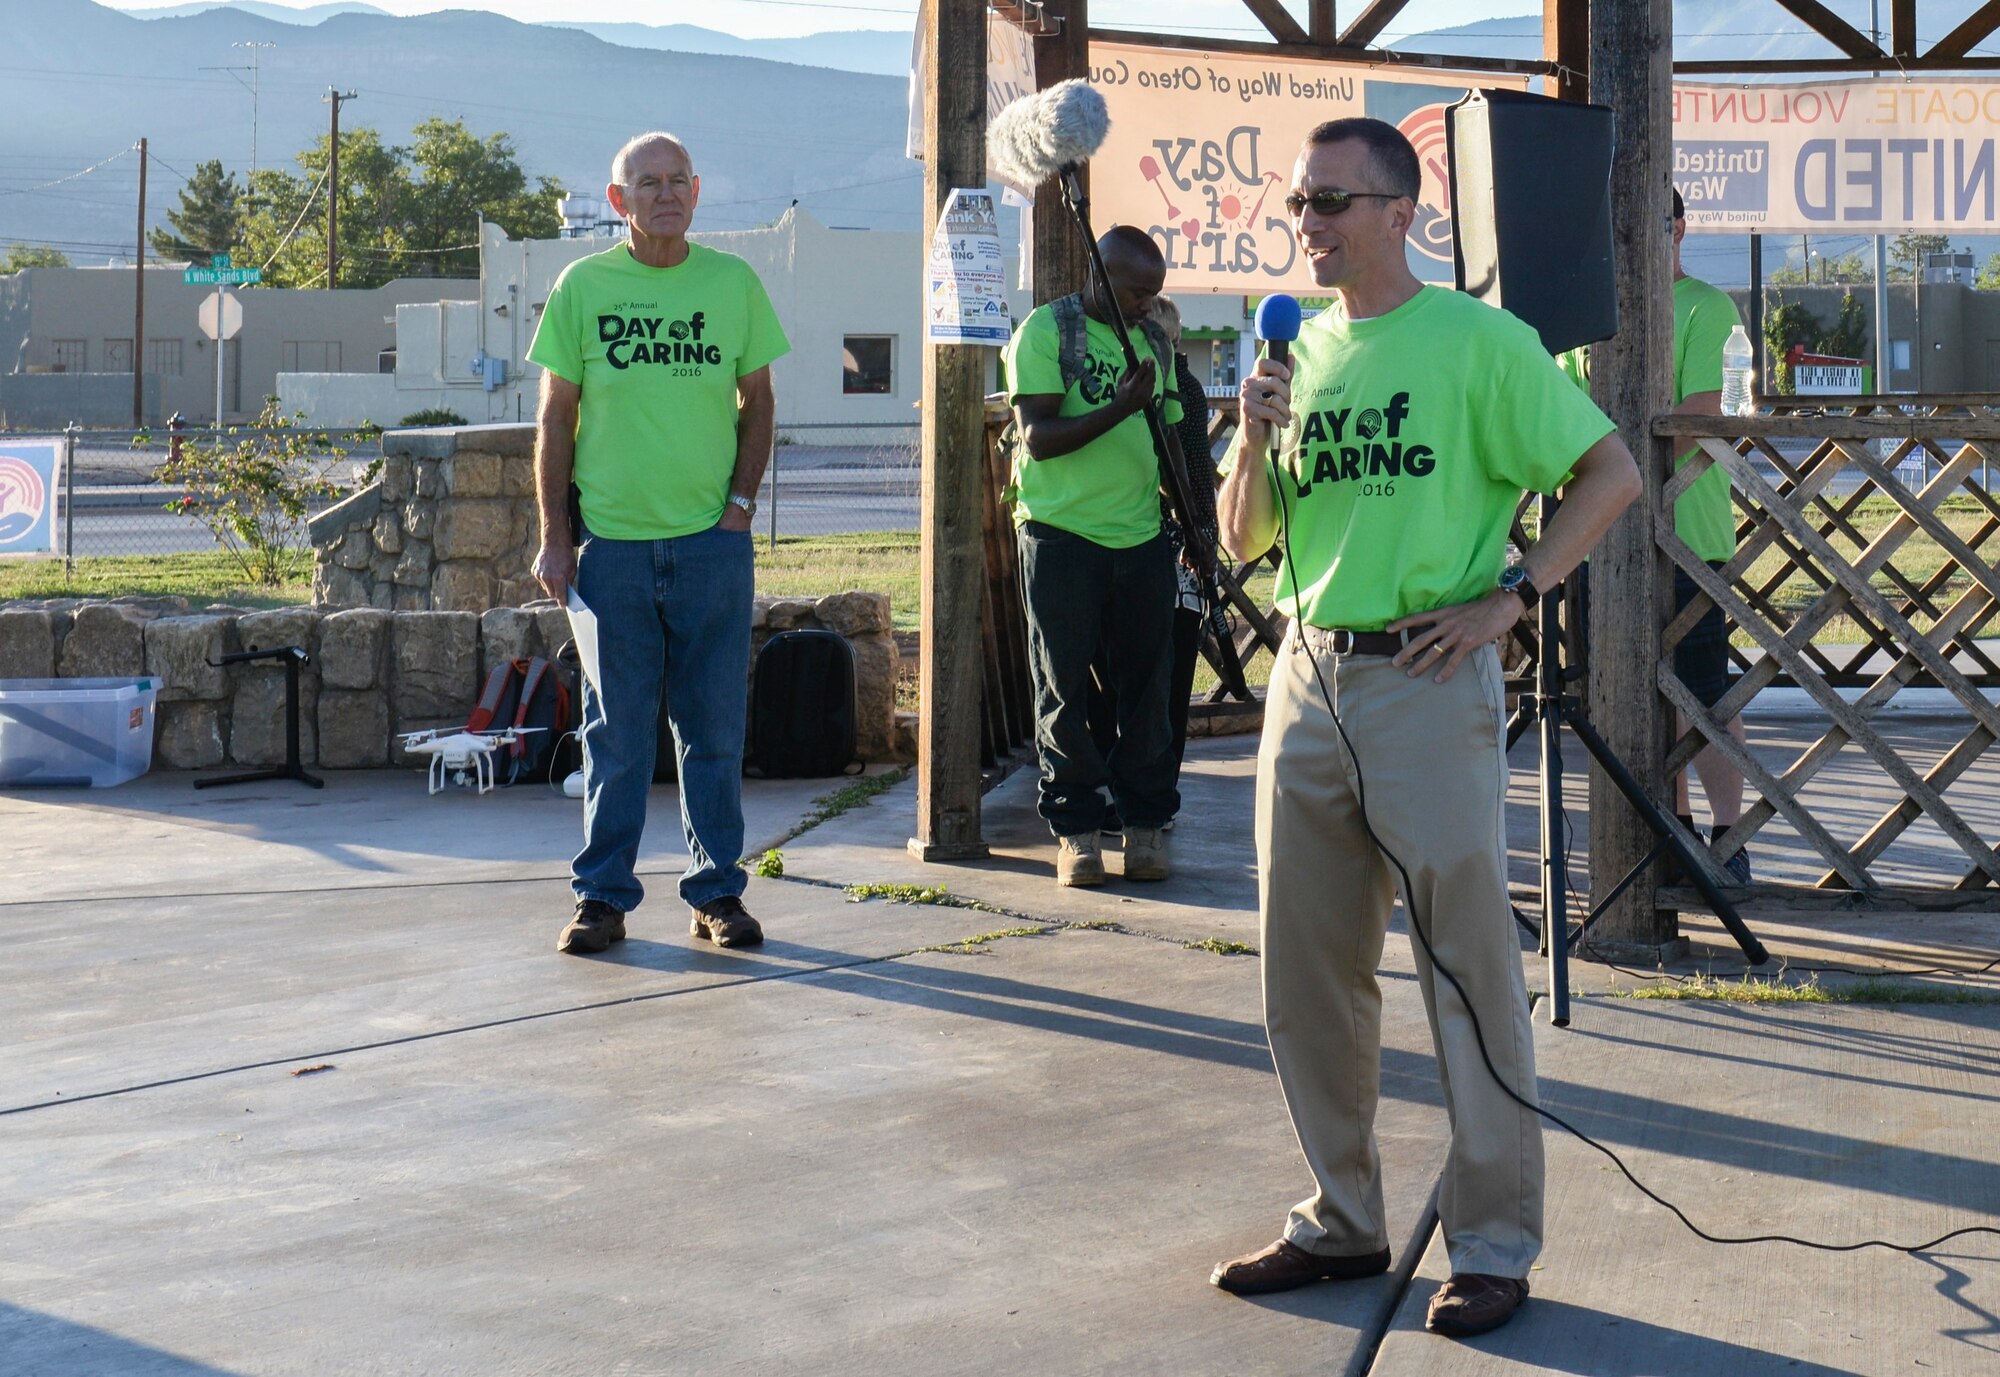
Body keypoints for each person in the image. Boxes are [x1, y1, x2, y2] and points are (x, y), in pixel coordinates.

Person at [1209, 118, 1640, 1339]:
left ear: (1401, 214)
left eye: (1332, 202)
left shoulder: (1479, 342)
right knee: (1303, 972)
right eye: (1299, 203)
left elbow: (1610, 474)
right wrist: (1250, 428)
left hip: (1422, 673)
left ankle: (1493, 1243)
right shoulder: (1291, 351)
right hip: (1306, 671)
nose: (1309, 225)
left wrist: (1516, 592)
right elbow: (1244, 537)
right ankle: (1339, 1221)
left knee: (1462, 966)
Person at [527, 131, 790, 955]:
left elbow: (760, 402)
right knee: (617, 733)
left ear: (696, 192)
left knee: (712, 730)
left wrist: (740, 507)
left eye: (678, 181)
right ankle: (602, 898)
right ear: (619, 201)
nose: (664, 194)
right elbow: (554, 419)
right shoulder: (582, 286)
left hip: (712, 547)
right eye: (647, 183)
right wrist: (555, 538)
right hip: (614, 553)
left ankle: (717, 896)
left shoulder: (733, 282)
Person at [1559, 188, 1752, 882]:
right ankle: (1671, 838)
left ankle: (1730, 842)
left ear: (1678, 227)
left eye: (1648, 223)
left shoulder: (1707, 306)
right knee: (1626, 700)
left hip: (1688, 538)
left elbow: (1701, 414)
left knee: (1704, 700)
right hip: (1601, 541)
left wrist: (1603, 455)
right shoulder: (1586, 322)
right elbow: (1555, 420)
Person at [1003, 226, 1185, 887]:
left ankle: (1144, 828)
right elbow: (1039, 436)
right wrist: (1121, 406)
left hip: (1138, 537)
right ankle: (1077, 832)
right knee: (1064, 689)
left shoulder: (1155, 342)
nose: (1145, 303)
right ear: (1100, 274)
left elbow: (1167, 440)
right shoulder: (1047, 333)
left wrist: (1195, 522)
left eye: (1154, 294)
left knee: (1148, 691)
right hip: (1061, 535)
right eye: (1137, 291)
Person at [1085, 293, 1217, 829]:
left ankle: (1147, 795)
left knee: (1156, 683)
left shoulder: (1174, 388)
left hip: (1166, 550)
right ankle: (1147, 795)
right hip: (1176, 548)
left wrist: (1197, 535)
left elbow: (1186, 476)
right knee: (1159, 683)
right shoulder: (1181, 385)